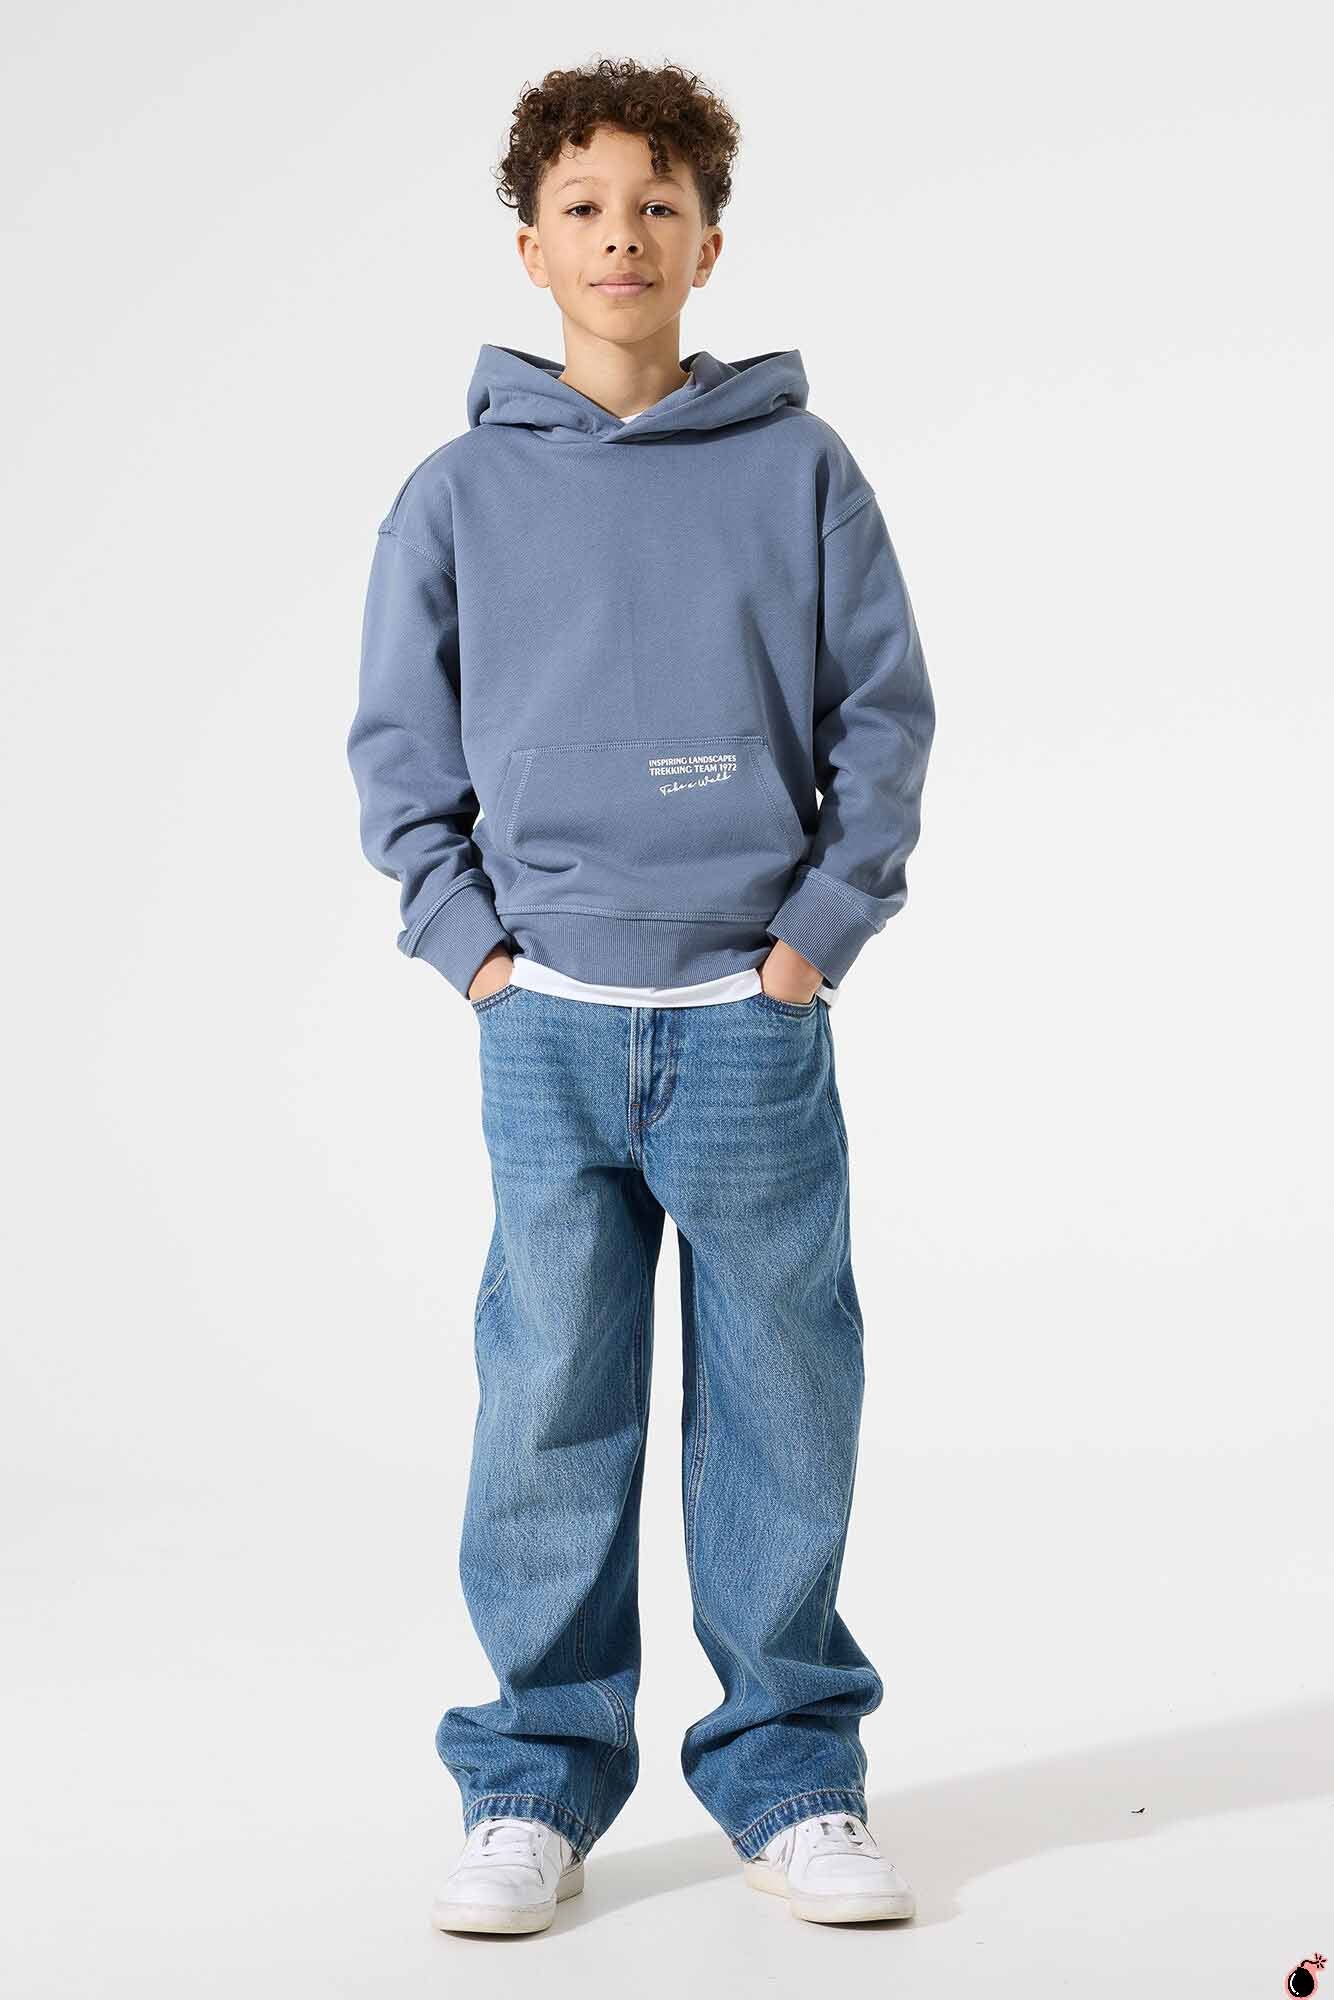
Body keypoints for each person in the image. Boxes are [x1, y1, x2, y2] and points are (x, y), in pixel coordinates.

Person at [346, 56, 936, 1937]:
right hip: (546, 1022)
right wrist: (472, 951)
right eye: (585, 208)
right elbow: (397, 748)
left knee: (781, 1402)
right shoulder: (457, 492)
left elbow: (882, 720)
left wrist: (810, 941)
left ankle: (793, 1776)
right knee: (548, 1409)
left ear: (709, 244)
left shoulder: (800, 470)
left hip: (748, 1022)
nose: (623, 236)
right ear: (530, 250)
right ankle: (532, 1782)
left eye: (658, 206)